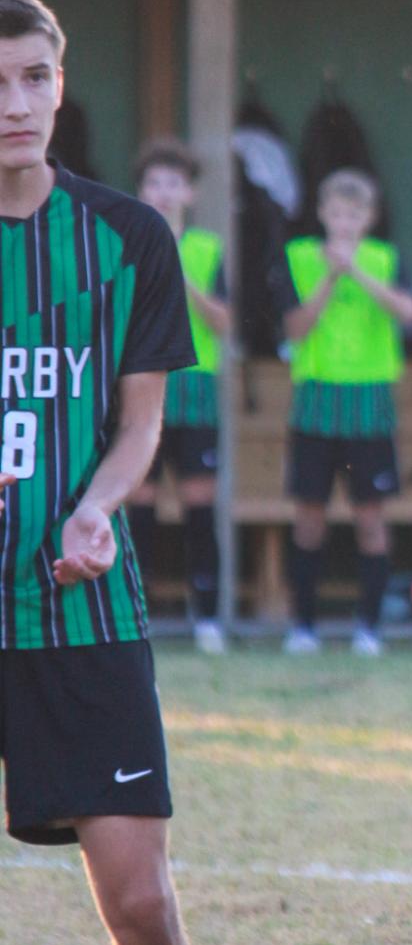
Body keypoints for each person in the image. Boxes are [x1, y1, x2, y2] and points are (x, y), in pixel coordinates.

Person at [0, 0, 271, 945]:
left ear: (62, 84)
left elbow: (143, 424)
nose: (14, 106)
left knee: (142, 904)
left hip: (80, 618)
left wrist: (98, 507)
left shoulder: (127, 241)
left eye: (32, 80)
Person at [274, 168, 412, 656]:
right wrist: (329, 279)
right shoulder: (298, 259)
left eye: (354, 214)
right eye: (336, 212)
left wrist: (356, 271)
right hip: (316, 401)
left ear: (369, 218)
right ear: (322, 214)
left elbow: (408, 312)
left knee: (371, 519)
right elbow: (294, 329)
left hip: (370, 403)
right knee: (309, 518)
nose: (344, 222)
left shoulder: (384, 258)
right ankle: (304, 627)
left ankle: (369, 629)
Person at [126, 139, 229, 654]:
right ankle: (134, 618)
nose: (164, 193)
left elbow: (225, 321)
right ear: (141, 191)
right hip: (143, 383)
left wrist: (182, 274)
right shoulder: (125, 242)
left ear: (188, 192)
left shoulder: (209, 249)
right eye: (154, 184)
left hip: (195, 387)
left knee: (198, 507)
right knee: (138, 505)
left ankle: (207, 619)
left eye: (173, 183)